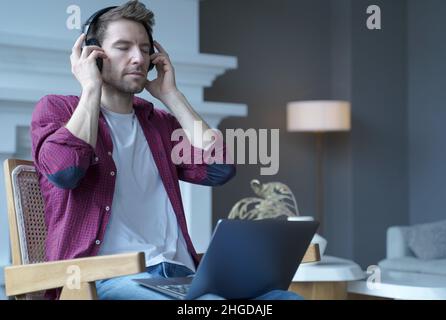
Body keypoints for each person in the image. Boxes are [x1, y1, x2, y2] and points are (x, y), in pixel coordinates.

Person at [30, 0, 301, 300]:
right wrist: (91, 88)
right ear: (93, 54)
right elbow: (65, 171)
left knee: (287, 299)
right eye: (123, 47)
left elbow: (221, 168)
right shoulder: (57, 109)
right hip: (105, 280)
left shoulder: (158, 123)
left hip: (180, 275)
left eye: (145, 49)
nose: (138, 59)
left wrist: (172, 96)